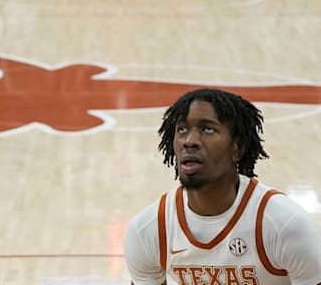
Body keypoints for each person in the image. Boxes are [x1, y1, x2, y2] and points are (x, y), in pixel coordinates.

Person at [124, 88, 321, 284]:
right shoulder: (149, 229)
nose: (190, 141)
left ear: (237, 148)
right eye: (182, 129)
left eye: (208, 129)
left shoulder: (284, 225)